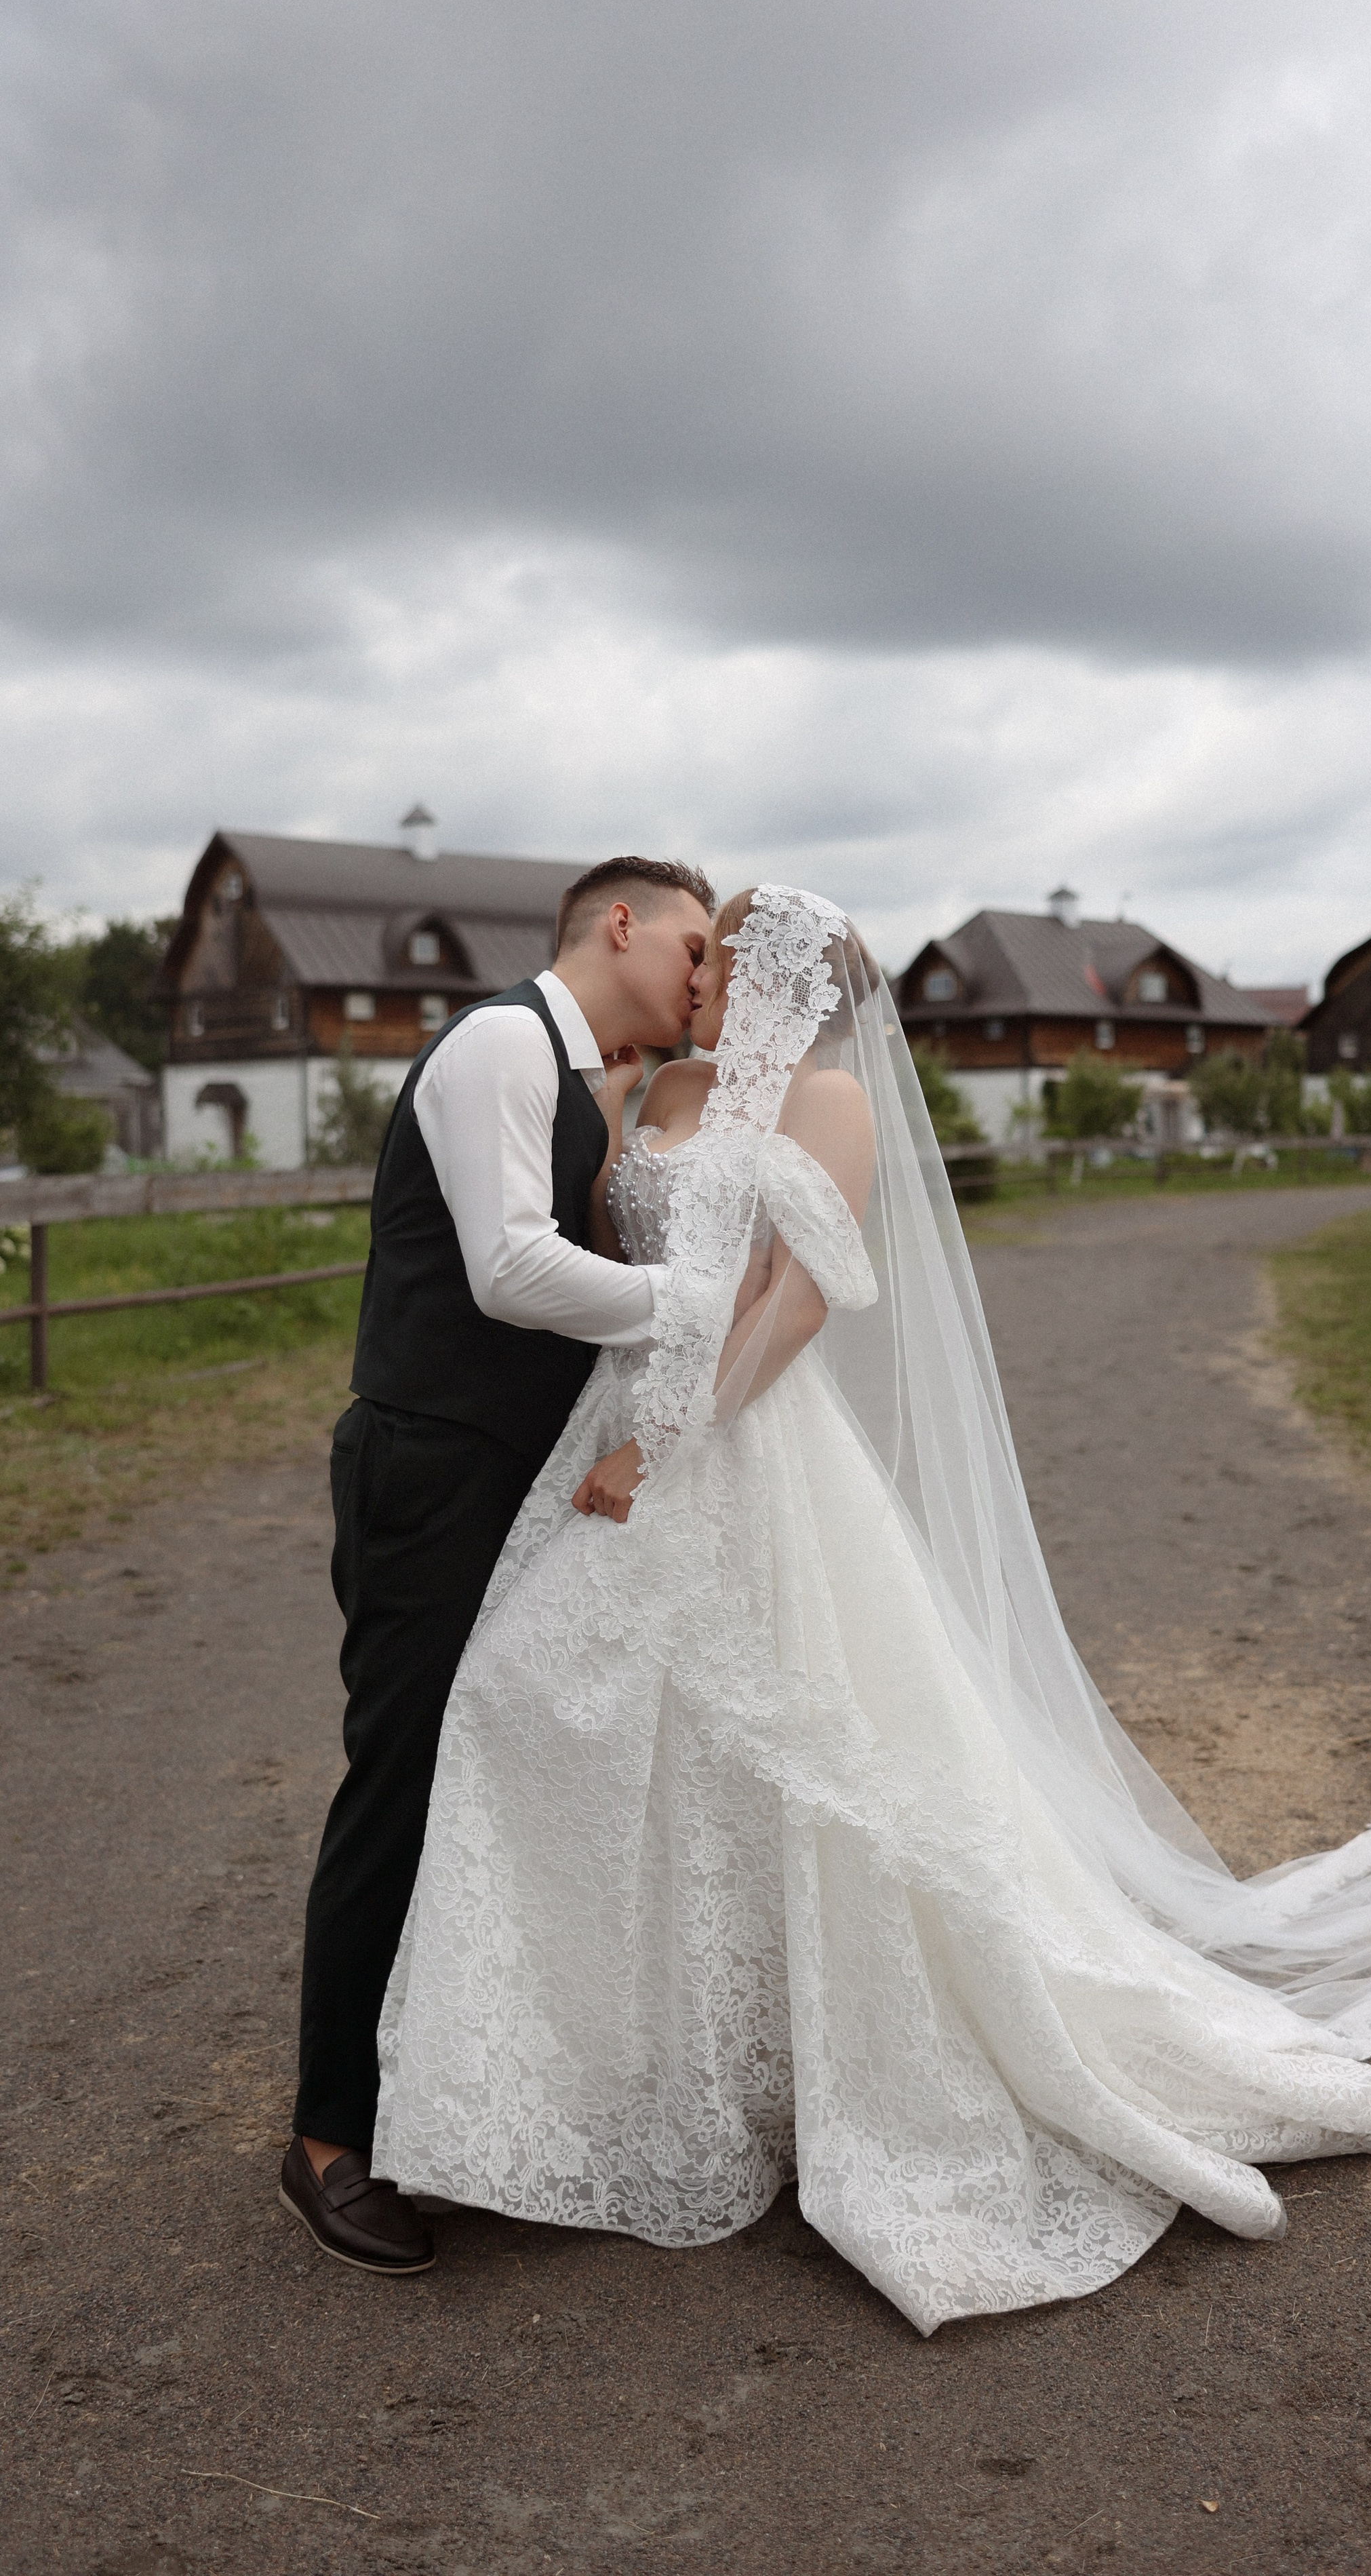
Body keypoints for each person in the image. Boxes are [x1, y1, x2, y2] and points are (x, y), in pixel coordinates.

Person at [370, 885, 1371, 2332]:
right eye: (689, 950)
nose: (693, 975)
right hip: (610, 1437)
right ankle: (603, 2070)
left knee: (780, 1751)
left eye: (715, 954)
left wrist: (667, 1439)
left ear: (774, 976)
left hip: (731, 1451)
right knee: (558, 1716)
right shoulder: (656, 1085)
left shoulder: (827, 1107)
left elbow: (790, 1304)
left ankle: (817, 2070)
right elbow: (605, 1262)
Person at [279, 857, 715, 2275]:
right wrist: (695, 1303)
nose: (707, 979)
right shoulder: (496, 1044)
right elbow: (510, 1274)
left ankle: (451, 2092)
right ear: (621, 923)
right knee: (400, 1775)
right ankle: (329, 2139)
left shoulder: (600, 1077)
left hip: (515, 1474)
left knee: (503, 1767)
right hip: (429, 1467)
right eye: (695, 945)